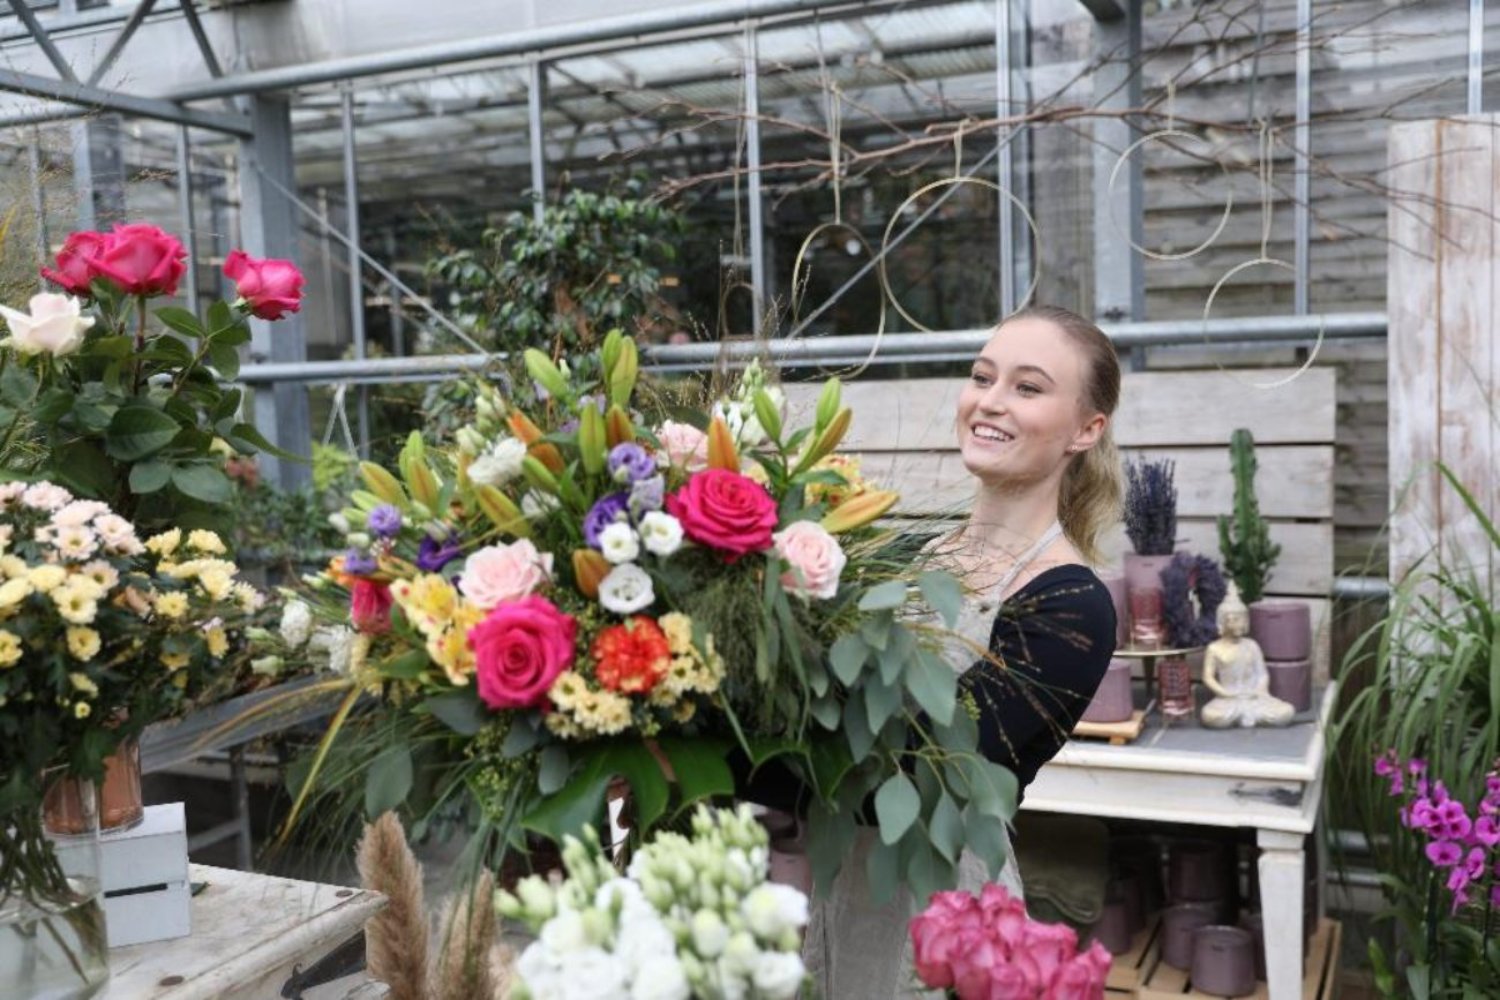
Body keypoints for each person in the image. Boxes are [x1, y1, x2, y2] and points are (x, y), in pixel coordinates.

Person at [802, 304, 1123, 997]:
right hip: (843, 898)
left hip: (950, 928)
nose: (991, 401)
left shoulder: (1071, 605)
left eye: (1028, 388)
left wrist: (700, 763)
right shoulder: (905, 559)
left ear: (1085, 430)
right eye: (983, 376)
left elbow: (914, 770)